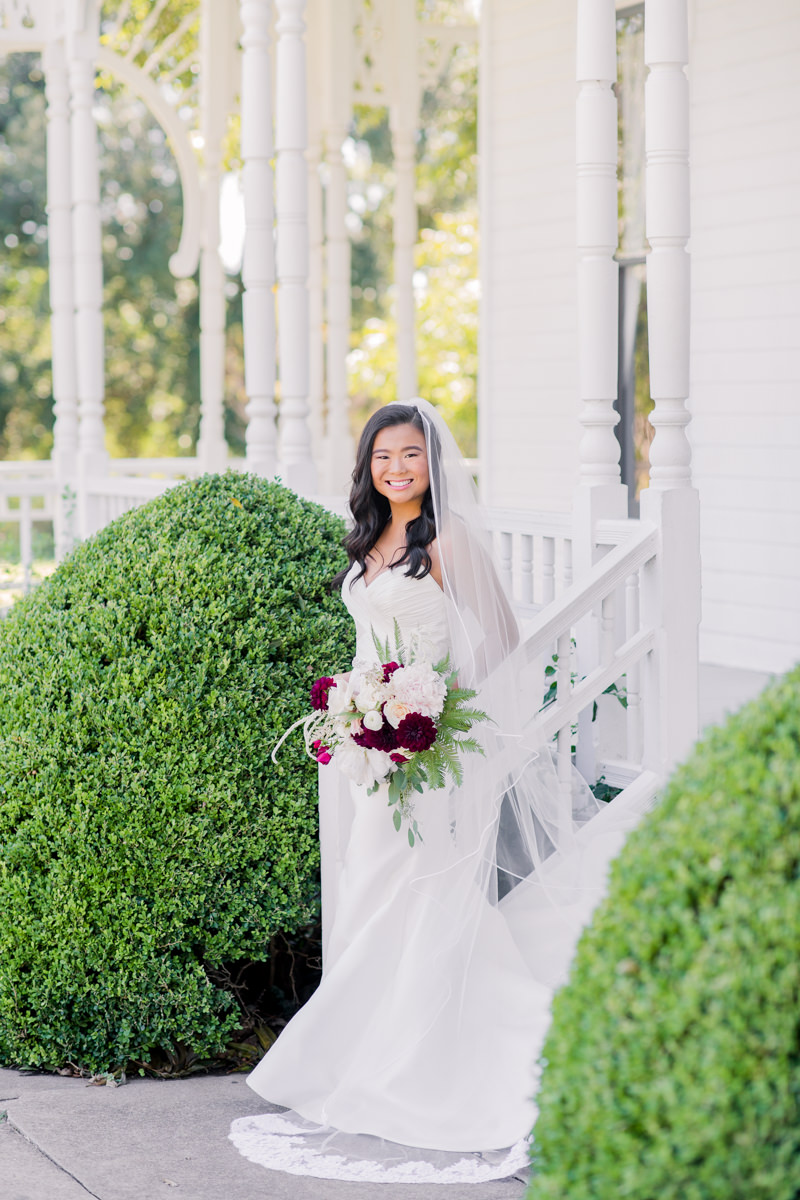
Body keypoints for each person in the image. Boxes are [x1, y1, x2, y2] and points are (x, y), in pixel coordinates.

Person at [229, 399, 640, 1184]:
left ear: (432, 462)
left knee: (413, 893)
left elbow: (504, 641)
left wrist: (433, 716)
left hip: (428, 752)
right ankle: (370, 1054)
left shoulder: (445, 544)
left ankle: (427, 1066)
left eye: (410, 456)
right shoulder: (367, 540)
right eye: (383, 457)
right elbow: (366, 640)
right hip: (367, 750)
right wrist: (360, 711)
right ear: (368, 466)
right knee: (375, 890)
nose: (396, 470)